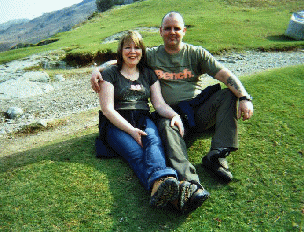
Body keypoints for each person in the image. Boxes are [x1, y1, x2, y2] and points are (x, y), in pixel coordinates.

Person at [92, 11, 254, 205]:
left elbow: (224, 74)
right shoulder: (150, 55)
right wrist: (97, 69)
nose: (172, 32)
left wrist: (244, 96)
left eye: (176, 28)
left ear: (184, 31)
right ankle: (190, 184)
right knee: (163, 132)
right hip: (166, 114)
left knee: (228, 93)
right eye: (167, 28)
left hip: (197, 109)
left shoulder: (196, 53)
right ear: (160, 31)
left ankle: (217, 155)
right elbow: (125, 58)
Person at [96, 30, 209, 212]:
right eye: (128, 47)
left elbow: (159, 103)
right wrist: (131, 130)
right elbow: (107, 109)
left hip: (142, 117)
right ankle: (172, 191)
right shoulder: (111, 73)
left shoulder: (148, 73)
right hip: (116, 122)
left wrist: (174, 115)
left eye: (137, 47)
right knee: (136, 153)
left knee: (154, 142)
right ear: (121, 50)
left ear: (142, 51)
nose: (133, 51)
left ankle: (163, 187)